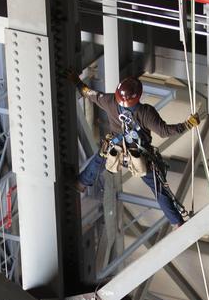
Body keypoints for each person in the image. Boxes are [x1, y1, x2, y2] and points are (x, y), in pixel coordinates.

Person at [71, 72, 200, 227]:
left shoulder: (109, 101)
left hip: (115, 150)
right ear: (138, 96)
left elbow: (88, 93)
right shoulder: (145, 112)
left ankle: (81, 183)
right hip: (139, 156)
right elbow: (164, 131)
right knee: (158, 188)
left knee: (100, 158)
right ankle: (176, 222)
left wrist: (76, 81)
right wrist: (187, 125)